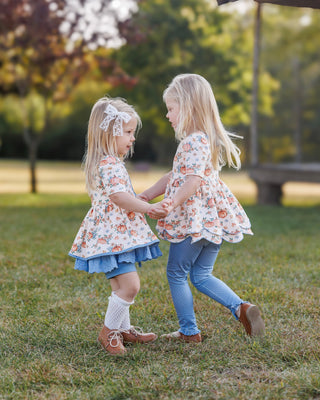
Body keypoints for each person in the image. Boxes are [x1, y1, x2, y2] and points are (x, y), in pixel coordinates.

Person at [141, 73, 265, 343]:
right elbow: (174, 176)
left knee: (176, 273)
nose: (167, 115)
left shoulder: (193, 141)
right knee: (201, 274)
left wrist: (171, 202)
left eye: (171, 109)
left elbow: (193, 181)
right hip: (213, 223)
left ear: (188, 107)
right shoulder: (203, 140)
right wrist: (147, 195)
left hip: (195, 223)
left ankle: (189, 332)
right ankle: (242, 308)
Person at [69, 97, 168, 355]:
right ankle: (108, 333)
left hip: (114, 234)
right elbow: (118, 197)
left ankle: (122, 329)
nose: (132, 138)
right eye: (127, 132)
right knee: (130, 286)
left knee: (120, 286)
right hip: (114, 235)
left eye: (132, 132)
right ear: (108, 133)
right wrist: (147, 208)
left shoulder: (108, 162)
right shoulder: (109, 163)